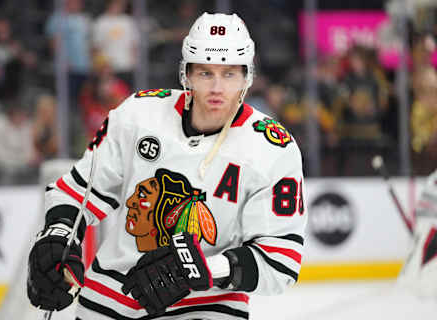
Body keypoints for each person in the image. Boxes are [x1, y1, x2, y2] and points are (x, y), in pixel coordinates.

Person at [27, 12, 307, 319]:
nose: (216, 88)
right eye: (205, 72)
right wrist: (57, 235)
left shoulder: (273, 149)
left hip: (206, 306)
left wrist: (199, 268)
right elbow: (78, 193)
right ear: (185, 73)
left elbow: (281, 261)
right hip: (110, 300)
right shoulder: (137, 114)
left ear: (247, 77)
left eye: (229, 74)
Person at [398, 169, 437, 298]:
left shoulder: (433, 176)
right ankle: (416, 284)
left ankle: (410, 283)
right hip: (430, 222)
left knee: (418, 254)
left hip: (426, 222)